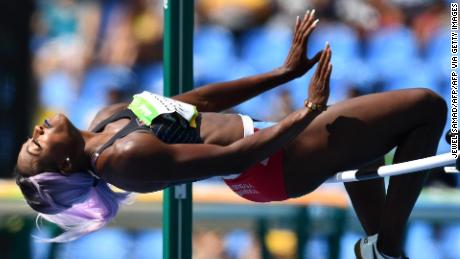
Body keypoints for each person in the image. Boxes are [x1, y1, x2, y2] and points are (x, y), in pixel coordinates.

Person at [16, 10, 446, 259]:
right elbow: (234, 159)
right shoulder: (122, 160)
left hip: (269, 145)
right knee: (428, 106)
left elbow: (201, 101)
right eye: (37, 144)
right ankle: (388, 247)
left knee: (365, 147)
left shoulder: (108, 119)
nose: (37, 130)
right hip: (271, 163)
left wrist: (282, 74)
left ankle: (380, 250)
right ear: (66, 164)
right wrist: (309, 109)